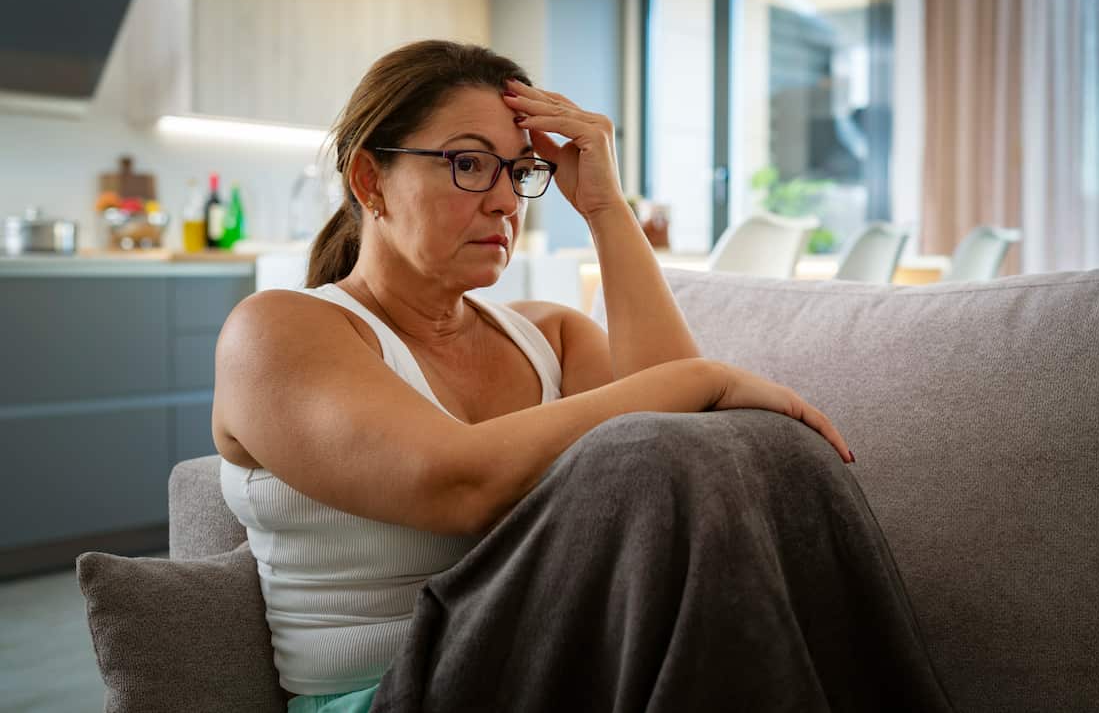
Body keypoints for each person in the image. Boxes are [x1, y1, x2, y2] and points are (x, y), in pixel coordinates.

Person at [212, 40, 854, 712]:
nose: (504, 203)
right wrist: (706, 379)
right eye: (468, 164)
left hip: (555, 676)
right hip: (389, 695)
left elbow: (686, 452)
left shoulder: (549, 336)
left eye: (519, 172)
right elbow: (457, 484)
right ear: (370, 180)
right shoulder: (277, 332)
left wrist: (606, 208)